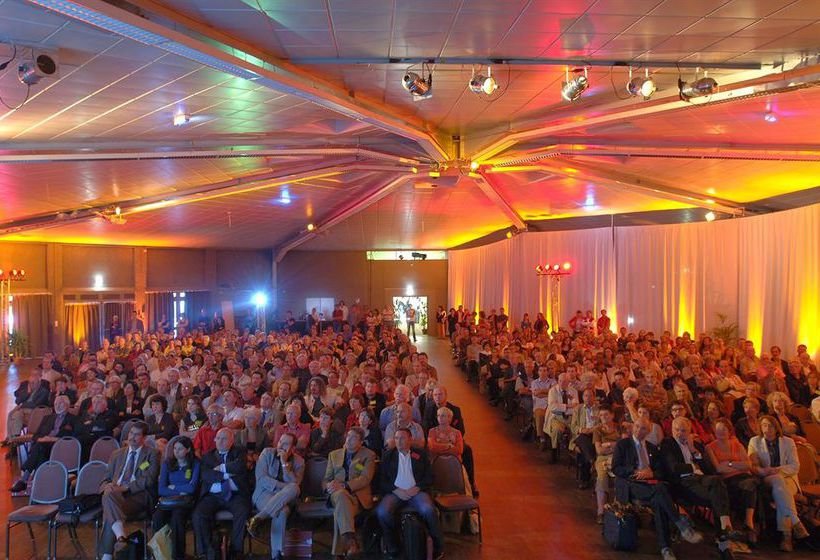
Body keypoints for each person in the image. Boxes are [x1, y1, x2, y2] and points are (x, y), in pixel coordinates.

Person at [612, 419, 703, 560]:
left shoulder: (652, 448)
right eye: (636, 426)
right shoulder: (622, 445)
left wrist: (652, 473)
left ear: (648, 432)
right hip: (631, 482)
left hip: (650, 483)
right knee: (660, 491)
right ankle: (678, 527)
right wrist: (635, 471)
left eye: (643, 428)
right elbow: (616, 468)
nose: (638, 430)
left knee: (658, 500)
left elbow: (662, 472)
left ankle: (666, 548)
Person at [659, 417, 737, 558]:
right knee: (718, 494)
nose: (680, 433)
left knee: (716, 482)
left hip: (702, 479)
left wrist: (693, 450)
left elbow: (709, 469)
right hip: (684, 483)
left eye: (683, 430)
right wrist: (693, 466)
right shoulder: (667, 443)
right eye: (677, 430)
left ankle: (725, 529)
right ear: (672, 430)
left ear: (689, 431)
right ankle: (724, 538)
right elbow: (674, 468)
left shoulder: (695, 445)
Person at [375, 428, 444, 560]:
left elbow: (429, 477)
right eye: (396, 438)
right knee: (382, 512)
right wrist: (396, 490)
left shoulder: (420, 454)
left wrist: (417, 488)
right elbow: (381, 481)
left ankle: (437, 546)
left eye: (402, 438)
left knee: (428, 510)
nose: (398, 441)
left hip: (416, 492)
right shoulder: (388, 456)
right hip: (395, 493)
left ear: (410, 439)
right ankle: (393, 546)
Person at [747, 415, 809, 551]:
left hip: (788, 478)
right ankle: (793, 526)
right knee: (778, 482)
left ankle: (787, 535)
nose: (767, 429)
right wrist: (763, 471)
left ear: (777, 428)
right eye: (764, 425)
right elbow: (753, 465)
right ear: (760, 427)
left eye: (771, 426)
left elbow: (795, 466)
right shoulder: (754, 441)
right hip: (768, 478)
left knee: (781, 490)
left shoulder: (788, 442)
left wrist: (777, 470)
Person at [99, 421, 160, 560]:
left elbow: (148, 480)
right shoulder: (117, 454)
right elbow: (105, 478)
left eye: (137, 435)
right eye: (131, 433)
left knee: (109, 507)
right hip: (115, 495)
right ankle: (121, 538)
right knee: (109, 495)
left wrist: (126, 487)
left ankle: (108, 554)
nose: (132, 437)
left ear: (144, 438)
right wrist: (107, 486)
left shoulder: (152, 454)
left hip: (138, 496)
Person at [192, 428, 252, 560]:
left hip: (235, 495)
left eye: (224, 438)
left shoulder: (239, 452)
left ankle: (236, 551)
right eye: (218, 438)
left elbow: (240, 466)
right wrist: (227, 474)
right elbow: (206, 475)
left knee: (242, 512)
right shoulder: (207, 456)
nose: (220, 441)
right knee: (199, 514)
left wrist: (221, 468)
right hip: (212, 496)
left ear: (231, 441)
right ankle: (207, 552)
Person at [248, 432, 304, 560]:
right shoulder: (267, 453)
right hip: (263, 494)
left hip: (285, 498)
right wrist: (285, 487)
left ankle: (257, 519)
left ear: (293, 448)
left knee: (292, 491)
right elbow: (262, 479)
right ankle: (277, 555)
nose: (281, 445)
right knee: (284, 507)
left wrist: (284, 464)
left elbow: (296, 483)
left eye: (285, 444)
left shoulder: (299, 462)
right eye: (280, 441)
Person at [705, 418, 761, 544]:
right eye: (718, 429)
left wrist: (729, 463)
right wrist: (737, 464)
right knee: (752, 486)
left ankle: (749, 522)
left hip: (743, 476)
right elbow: (719, 468)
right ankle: (750, 524)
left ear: (729, 431)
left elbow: (748, 464)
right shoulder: (710, 447)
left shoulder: (737, 444)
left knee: (752, 486)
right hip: (727, 480)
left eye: (724, 429)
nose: (720, 432)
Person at [324, 427, 377, 557]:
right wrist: (329, 486)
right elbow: (327, 478)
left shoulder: (368, 455)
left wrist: (344, 485)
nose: (349, 439)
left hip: (357, 497)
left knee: (340, 511)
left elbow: (365, 478)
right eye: (348, 436)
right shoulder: (334, 454)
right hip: (336, 494)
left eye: (353, 437)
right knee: (341, 496)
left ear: (361, 441)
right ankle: (352, 542)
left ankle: (342, 550)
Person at [10, 395, 77, 492]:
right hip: (44, 445)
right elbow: (36, 435)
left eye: (61, 403)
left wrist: (54, 439)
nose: (58, 406)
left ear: (67, 405)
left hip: (60, 447)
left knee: (39, 449)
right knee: (40, 448)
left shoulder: (73, 419)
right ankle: (38, 483)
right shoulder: (47, 418)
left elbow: (73, 437)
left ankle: (25, 480)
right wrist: (41, 439)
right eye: (56, 403)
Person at [152, 436, 200, 560]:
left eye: (180, 449)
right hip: (168, 501)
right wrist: (180, 488)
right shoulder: (168, 464)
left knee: (177, 519)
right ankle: (160, 554)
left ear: (188, 450)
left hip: (184, 502)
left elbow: (192, 489)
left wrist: (173, 487)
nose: (176, 451)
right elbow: (161, 489)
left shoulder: (195, 463)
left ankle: (178, 556)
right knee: (157, 518)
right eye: (175, 448)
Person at [5, 369, 51, 441]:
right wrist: (28, 393)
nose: (31, 385)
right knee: (13, 414)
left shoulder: (44, 391)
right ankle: (13, 438)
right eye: (30, 383)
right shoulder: (26, 389)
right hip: (22, 410)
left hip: (34, 411)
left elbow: (35, 404)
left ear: (39, 383)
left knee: (16, 415)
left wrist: (22, 405)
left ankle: (13, 439)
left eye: (33, 383)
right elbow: (17, 401)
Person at [545, 372, 578, 463]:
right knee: (556, 430)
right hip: (556, 417)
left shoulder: (573, 391)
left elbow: (575, 407)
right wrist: (567, 406)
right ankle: (554, 451)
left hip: (570, 417)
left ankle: (571, 450)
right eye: (560, 381)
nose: (562, 383)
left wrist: (562, 407)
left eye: (565, 381)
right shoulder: (553, 391)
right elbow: (552, 407)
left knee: (576, 430)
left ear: (568, 382)